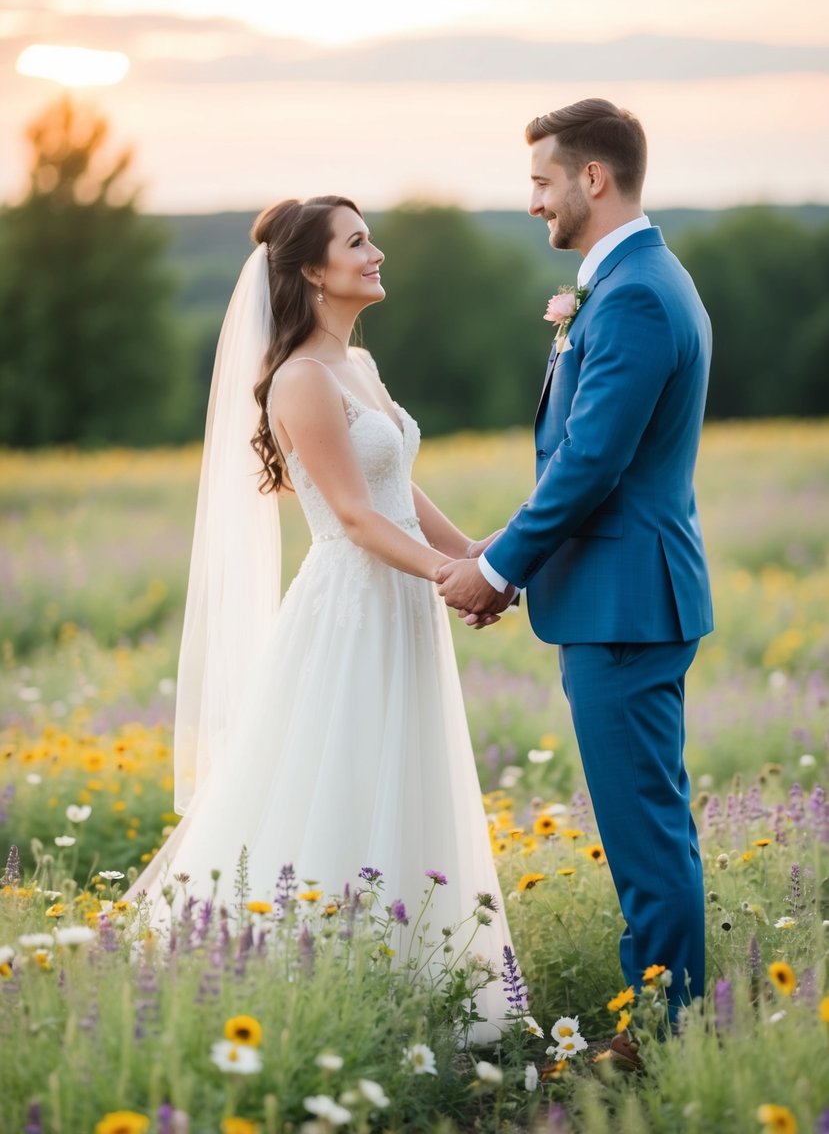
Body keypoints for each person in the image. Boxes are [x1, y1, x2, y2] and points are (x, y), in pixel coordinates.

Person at [124, 195, 512, 1040]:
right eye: (356, 242)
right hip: (351, 608)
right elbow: (355, 517)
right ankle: (306, 985)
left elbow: (397, 493)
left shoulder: (358, 367)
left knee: (402, 770)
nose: (376, 252)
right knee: (339, 776)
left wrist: (481, 553)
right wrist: (456, 575)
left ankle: (410, 982)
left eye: (369, 238)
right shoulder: (299, 377)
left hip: (402, 595)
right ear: (311, 270)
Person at [436, 100, 713, 1058]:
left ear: (591, 179)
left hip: (625, 603)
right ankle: (666, 1017)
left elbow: (591, 461)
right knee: (649, 824)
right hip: (626, 594)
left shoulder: (633, 293)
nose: (532, 203)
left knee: (643, 835)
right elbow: (586, 464)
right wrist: (497, 548)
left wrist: (498, 569)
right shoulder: (639, 277)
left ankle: (669, 1033)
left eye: (540, 182)